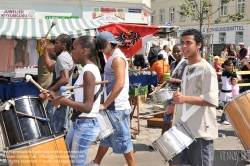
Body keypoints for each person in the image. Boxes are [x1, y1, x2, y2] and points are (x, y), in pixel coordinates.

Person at [41, 36, 101, 165]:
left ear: (84, 51)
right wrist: (53, 95)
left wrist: (61, 100)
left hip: (86, 125)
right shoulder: (87, 69)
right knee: (67, 159)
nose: (72, 52)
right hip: (79, 122)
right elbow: (79, 98)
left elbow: (87, 106)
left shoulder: (89, 72)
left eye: (74, 48)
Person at [166, 29, 218, 166]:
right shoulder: (187, 67)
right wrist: (176, 105)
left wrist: (184, 99)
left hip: (199, 132)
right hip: (181, 128)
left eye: (188, 43)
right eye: (182, 43)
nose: (184, 46)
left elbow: (211, 100)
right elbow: (188, 94)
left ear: (199, 45)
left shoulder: (207, 69)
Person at [86, 31, 135, 166]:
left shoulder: (117, 59)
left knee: (124, 141)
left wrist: (105, 104)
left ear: (108, 43)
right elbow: (112, 81)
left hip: (117, 107)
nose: (100, 51)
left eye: (101, 47)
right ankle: (96, 162)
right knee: (106, 136)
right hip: (114, 106)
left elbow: (119, 84)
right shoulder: (113, 57)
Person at [39, 34, 74, 134]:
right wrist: (45, 50)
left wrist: (50, 91)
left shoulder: (62, 57)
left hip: (58, 100)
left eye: (57, 43)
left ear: (64, 45)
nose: (55, 45)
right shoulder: (66, 56)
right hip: (62, 99)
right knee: (60, 133)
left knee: (53, 133)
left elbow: (65, 79)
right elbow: (50, 66)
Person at [161, 44, 188, 134]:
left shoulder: (186, 64)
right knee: (167, 114)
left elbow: (188, 81)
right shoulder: (172, 63)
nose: (176, 53)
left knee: (179, 117)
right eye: (174, 51)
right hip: (171, 92)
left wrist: (175, 80)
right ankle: (163, 138)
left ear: (183, 52)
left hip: (181, 93)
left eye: (178, 51)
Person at [219, 59, 237, 125]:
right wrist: (232, 70)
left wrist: (232, 70)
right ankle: (224, 119)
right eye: (230, 66)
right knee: (226, 106)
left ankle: (224, 119)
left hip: (228, 91)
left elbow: (235, 76)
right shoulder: (226, 71)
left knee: (227, 106)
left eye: (231, 65)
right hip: (226, 91)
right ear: (226, 66)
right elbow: (234, 75)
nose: (231, 67)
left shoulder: (227, 71)